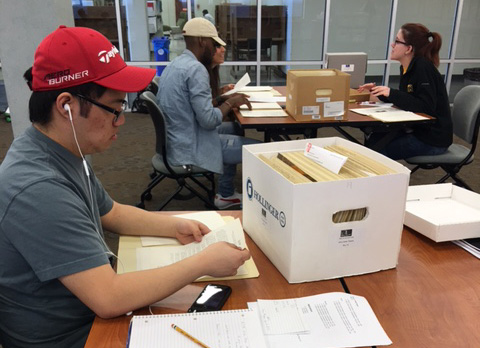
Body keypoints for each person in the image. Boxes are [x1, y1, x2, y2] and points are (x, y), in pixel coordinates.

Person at [0, 25, 250, 348]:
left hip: (90, 314)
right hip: (75, 335)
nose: (122, 121)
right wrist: (203, 263)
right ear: (66, 106)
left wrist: (175, 226)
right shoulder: (37, 187)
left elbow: (112, 213)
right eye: (115, 109)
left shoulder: (62, 150)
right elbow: (109, 297)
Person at [157, 18, 260, 209]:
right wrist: (230, 102)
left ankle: (226, 194)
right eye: (214, 44)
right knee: (260, 151)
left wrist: (222, 100)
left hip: (177, 139)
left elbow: (195, 108)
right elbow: (209, 120)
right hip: (190, 147)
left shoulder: (177, 63)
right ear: (203, 41)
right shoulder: (196, 69)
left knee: (236, 128)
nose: (216, 49)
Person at [358, 23, 453, 160]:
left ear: (408, 49)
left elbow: (425, 108)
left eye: (397, 41)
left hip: (432, 139)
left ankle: (383, 179)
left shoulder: (422, 68)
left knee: (377, 149)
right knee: (375, 138)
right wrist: (380, 92)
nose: (392, 45)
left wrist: (391, 93)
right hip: (418, 131)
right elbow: (409, 100)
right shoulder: (407, 67)